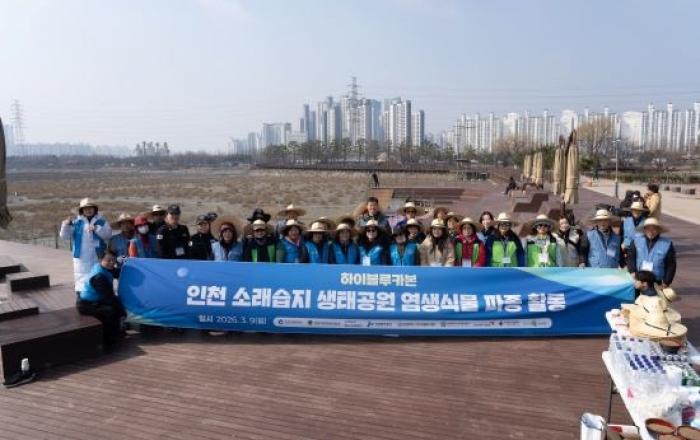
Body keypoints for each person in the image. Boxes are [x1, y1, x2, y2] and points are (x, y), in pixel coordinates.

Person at [60, 198, 112, 296]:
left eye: (90, 208)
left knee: (98, 278)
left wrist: (97, 228)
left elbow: (108, 235)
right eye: (85, 208)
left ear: (95, 209)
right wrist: (66, 225)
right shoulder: (76, 223)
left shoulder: (102, 222)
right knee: (81, 279)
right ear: (81, 210)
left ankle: (99, 298)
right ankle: (82, 298)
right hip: (81, 258)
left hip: (98, 256)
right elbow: (64, 236)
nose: (88, 210)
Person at [76, 250, 125, 346]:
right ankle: (108, 340)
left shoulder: (105, 267)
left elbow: (117, 272)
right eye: (108, 260)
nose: (111, 263)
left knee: (115, 305)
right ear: (101, 259)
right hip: (86, 305)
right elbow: (109, 297)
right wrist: (122, 312)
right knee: (110, 310)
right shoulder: (99, 277)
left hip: (96, 300)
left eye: (113, 260)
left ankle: (117, 331)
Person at [627, 217, 676, 288]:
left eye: (654, 229)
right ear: (644, 230)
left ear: (658, 230)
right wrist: (632, 271)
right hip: (639, 281)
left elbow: (671, 265)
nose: (651, 231)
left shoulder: (667, 244)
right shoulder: (636, 241)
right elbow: (630, 258)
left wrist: (666, 282)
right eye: (648, 229)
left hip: (657, 282)